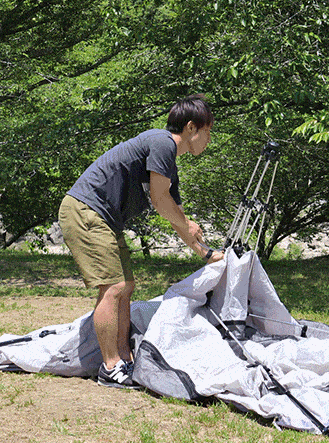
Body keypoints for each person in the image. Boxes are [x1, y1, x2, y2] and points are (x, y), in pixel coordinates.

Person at [58, 95, 225, 388]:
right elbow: (161, 202)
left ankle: (126, 360)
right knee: (114, 287)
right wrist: (186, 224)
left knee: (127, 287)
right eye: (208, 131)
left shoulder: (166, 159)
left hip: (105, 217)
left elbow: (174, 213)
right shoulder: (162, 143)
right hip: (86, 209)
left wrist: (206, 253)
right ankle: (110, 367)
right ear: (190, 128)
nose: (209, 140)